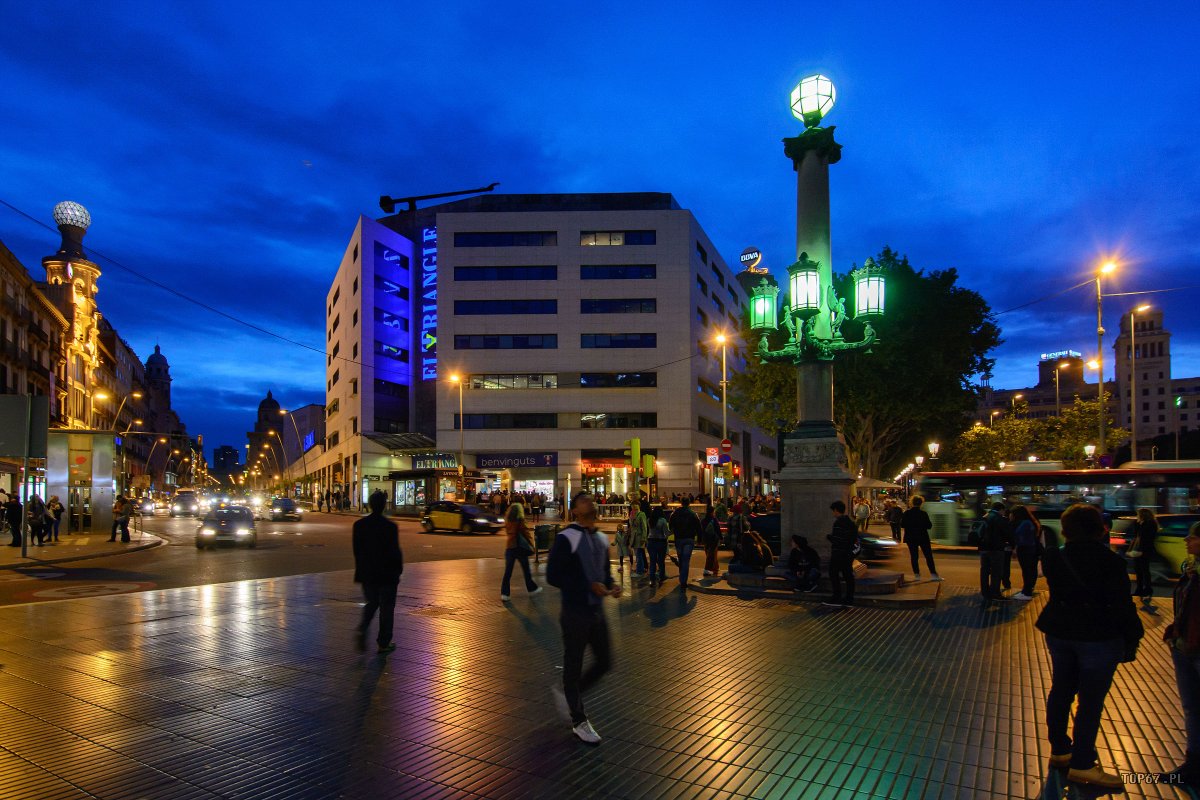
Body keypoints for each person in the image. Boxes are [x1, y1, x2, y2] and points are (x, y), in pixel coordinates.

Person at [1036, 503, 1143, 790]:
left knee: (1060, 690)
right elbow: (1122, 606)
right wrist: (1133, 636)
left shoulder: (1053, 558)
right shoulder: (1110, 562)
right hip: (1098, 636)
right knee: (1090, 701)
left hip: (1059, 631)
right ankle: (1083, 764)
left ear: (1065, 529)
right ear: (1100, 529)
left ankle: (1060, 750)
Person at [546, 492, 620, 744]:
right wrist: (587, 586)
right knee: (573, 664)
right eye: (583, 500)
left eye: (591, 499)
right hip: (575, 612)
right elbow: (553, 576)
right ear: (575, 511)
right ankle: (579, 720)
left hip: (596, 612)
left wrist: (612, 585)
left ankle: (570, 694)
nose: (591, 502)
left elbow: (605, 572)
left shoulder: (600, 537)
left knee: (605, 662)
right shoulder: (567, 537)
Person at [1161, 522, 1200, 788]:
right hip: (1183, 646)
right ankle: (1193, 764)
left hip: (1194, 647)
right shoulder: (1191, 570)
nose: (1187, 538)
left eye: (1194, 535)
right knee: (1192, 708)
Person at [352, 490, 404, 653]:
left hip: (368, 573)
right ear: (384, 506)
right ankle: (384, 643)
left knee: (372, 602)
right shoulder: (390, 527)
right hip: (387, 574)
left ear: (369, 505)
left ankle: (363, 627)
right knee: (387, 608)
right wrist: (398, 571)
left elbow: (357, 550)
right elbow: (395, 551)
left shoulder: (359, 526)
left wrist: (362, 569)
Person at [500, 502, 542, 600]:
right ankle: (532, 589)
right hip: (519, 548)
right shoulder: (520, 520)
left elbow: (508, 532)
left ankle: (505, 593)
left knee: (508, 572)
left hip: (510, 547)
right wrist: (531, 545)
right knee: (526, 570)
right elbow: (525, 533)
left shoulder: (507, 520)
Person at [824, 500, 857, 608]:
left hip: (839, 553)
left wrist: (830, 537)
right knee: (848, 575)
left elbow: (838, 540)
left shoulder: (839, 523)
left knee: (833, 573)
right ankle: (849, 598)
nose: (833, 513)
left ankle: (836, 596)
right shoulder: (851, 522)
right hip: (848, 553)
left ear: (836, 510)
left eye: (833, 511)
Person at [900, 496, 941, 582]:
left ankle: (917, 575)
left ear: (912, 503)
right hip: (922, 536)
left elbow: (902, 525)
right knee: (928, 556)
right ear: (921, 503)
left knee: (914, 556)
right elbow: (929, 526)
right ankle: (933, 574)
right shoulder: (923, 513)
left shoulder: (907, 513)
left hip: (911, 537)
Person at [978, 502, 1011, 602]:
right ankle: (995, 593)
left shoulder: (985, 517)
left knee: (984, 571)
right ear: (1001, 509)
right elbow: (1007, 533)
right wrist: (1012, 544)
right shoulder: (999, 519)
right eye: (1003, 511)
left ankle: (985, 592)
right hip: (996, 549)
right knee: (996, 572)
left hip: (983, 549)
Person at [1010, 505, 1044, 600]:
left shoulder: (1024, 524)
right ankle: (1028, 590)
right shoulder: (1031, 522)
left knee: (1027, 571)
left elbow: (1020, 538)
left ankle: (1026, 592)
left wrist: (1015, 548)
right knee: (1031, 570)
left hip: (1025, 550)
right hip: (1032, 549)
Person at [669, 499, 701, 590]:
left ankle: (681, 577)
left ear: (681, 504)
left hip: (678, 539)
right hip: (689, 539)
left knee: (681, 558)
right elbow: (698, 527)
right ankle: (683, 581)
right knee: (686, 560)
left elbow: (671, 526)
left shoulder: (675, 513)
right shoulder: (693, 514)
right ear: (689, 504)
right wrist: (699, 538)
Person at [1130, 507, 1158, 603]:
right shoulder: (1141, 523)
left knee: (1144, 569)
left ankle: (1147, 589)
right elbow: (1136, 534)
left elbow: (1146, 537)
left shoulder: (1150, 524)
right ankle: (1140, 588)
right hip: (1140, 549)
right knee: (1139, 569)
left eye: (1138, 514)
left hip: (1145, 549)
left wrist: (1139, 525)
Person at [647, 509, 670, 586]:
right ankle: (661, 577)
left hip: (650, 542)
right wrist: (673, 531)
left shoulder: (649, 520)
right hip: (660, 542)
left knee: (652, 561)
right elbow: (666, 533)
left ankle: (652, 580)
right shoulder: (662, 520)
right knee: (661, 561)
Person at [629, 501, 649, 577]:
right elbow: (631, 526)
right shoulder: (632, 514)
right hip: (633, 537)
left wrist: (644, 537)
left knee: (639, 554)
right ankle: (641, 568)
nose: (633, 508)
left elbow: (644, 527)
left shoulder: (642, 514)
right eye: (632, 506)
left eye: (635, 506)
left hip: (639, 537)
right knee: (638, 553)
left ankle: (639, 571)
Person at [701, 505, 721, 576]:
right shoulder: (714, 519)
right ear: (712, 512)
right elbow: (718, 529)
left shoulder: (704, 520)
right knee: (712, 554)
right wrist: (721, 538)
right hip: (713, 539)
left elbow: (702, 530)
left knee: (709, 554)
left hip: (706, 540)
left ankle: (715, 568)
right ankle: (708, 569)